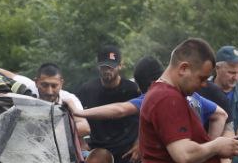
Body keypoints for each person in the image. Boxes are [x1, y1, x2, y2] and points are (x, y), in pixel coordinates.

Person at [75, 56, 229, 143]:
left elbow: (120, 109)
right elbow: (221, 115)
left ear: (147, 83)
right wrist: (209, 147)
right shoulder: (191, 96)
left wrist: (80, 113)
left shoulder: (157, 96)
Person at [76, 46, 141, 163]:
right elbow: (72, 115)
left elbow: (147, 117)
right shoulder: (87, 89)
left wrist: (140, 143)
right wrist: (81, 142)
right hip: (97, 152)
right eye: (103, 66)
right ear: (98, 66)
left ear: (120, 66)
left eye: (111, 66)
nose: (107, 70)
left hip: (126, 153)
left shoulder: (133, 90)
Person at [0, 62, 91, 137]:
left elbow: (85, 128)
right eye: (44, 85)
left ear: (61, 83)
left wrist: (53, 132)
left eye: (54, 86)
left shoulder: (69, 99)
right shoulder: (28, 87)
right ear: (36, 82)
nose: (49, 91)